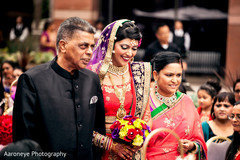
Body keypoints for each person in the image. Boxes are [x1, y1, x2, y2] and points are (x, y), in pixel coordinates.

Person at [12, 17, 106, 159]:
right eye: (83, 46)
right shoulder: (32, 80)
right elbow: (23, 140)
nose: (89, 52)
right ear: (62, 46)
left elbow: (98, 128)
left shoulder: (92, 79)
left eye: (92, 46)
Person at [87, 19, 152, 160]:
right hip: (99, 149)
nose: (130, 53)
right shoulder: (93, 74)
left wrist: (138, 139)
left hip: (131, 150)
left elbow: (146, 115)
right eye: (124, 47)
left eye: (134, 48)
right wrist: (111, 145)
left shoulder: (139, 73)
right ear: (111, 44)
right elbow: (82, 121)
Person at [146, 52, 207, 160]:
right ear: (155, 75)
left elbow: (199, 141)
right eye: (169, 75)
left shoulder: (186, 101)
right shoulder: (144, 101)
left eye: (178, 75)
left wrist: (192, 146)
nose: (175, 80)